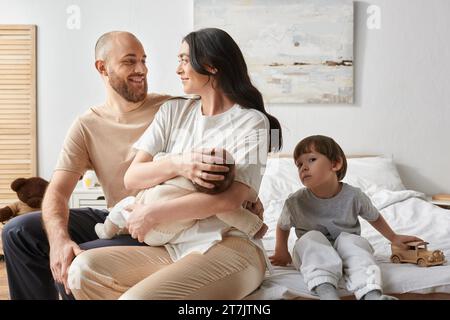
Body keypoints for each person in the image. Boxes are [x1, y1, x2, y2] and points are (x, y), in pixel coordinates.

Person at [67, 27, 283, 300]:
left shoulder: (253, 123)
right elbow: (132, 177)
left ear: (211, 66)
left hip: (231, 245)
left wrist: (155, 213)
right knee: (83, 270)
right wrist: (181, 164)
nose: (178, 69)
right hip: (172, 247)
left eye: (183, 59)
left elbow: (230, 200)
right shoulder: (173, 111)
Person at [2, 31, 177, 300]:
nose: (141, 69)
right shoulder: (86, 125)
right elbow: (57, 193)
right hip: (114, 219)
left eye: (144, 60)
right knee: (18, 231)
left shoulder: (172, 109)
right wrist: (59, 240)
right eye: (130, 61)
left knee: (78, 257)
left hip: (159, 224)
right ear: (102, 67)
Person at [269, 135, 422, 300]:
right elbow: (282, 225)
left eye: (311, 159)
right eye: (299, 164)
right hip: (313, 253)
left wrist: (393, 237)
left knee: (354, 243)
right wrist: (281, 250)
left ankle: (372, 295)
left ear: (335, 164)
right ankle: (327, 293)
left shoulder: (354, 195)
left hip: (346, 248)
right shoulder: (295, 201)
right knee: (310, 238)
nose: (303, 168)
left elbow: (374, 217)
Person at [95, 151, 268, 245]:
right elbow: (233, 214)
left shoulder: (186, 173)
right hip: (164, 236)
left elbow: (161, 157)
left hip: (145, 216)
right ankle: (125, 228)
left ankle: (107, 231)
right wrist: (258, 227)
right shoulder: (211, 203)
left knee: (123, 207)